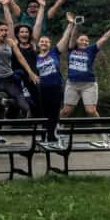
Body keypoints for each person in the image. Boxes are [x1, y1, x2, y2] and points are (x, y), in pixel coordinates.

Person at [61, 15, 110, 120]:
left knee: (91, 111)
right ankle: (54, 129)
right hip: (72, 84)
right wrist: (77, 25)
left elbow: (104, 38)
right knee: (66, 111)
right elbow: (73, 35)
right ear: (77, 41)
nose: (84, 42)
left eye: (86, 41)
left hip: (88, 85)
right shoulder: (71, 48)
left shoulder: (91, 50)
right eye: (82, 40)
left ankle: (102, 133)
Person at [36, 13, 76, 143]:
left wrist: (70, 24)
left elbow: (65, 38)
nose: (44, 43)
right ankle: (43, 136)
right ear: (38, 44)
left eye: (46, 41)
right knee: (43, 113)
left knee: (54, 113)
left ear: (50, 44)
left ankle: (52, 136)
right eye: (42, 41)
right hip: (42, 89)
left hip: (56, 87)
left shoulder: (54, 52)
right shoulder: (34, 57)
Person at [1, 0, 73, 33]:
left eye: (35, 6)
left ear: (39, 8)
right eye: (30, 7)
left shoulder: (45, 17)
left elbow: (56, 6)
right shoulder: (22, 16)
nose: (32, 8)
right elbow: (12, 4)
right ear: (27, 9)